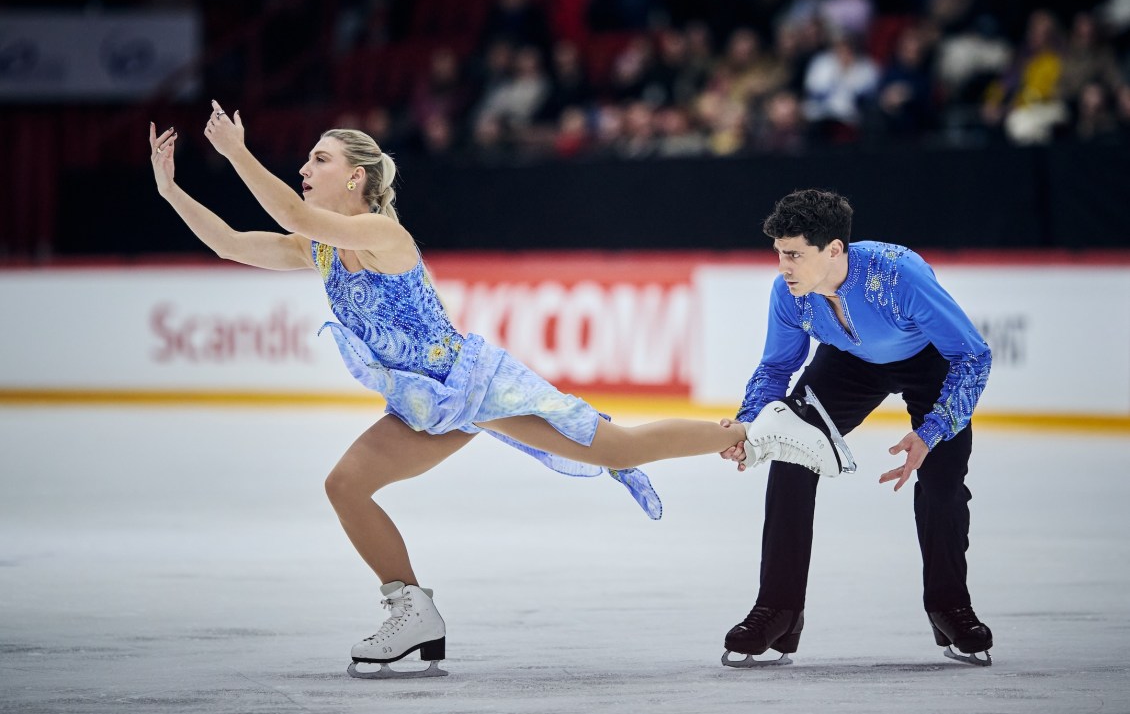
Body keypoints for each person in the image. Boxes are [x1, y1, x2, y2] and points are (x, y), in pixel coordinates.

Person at [146, 102, 748, 678]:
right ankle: (412, 611)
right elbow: (229, 242)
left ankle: (747, 433)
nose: (304, 169)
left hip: (473, 385)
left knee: (616, 449)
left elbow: (294, 215)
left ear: (356, 177)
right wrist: (171, 191)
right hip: (418, 404)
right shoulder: (320, 248)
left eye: (318, 160)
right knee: (346, 486)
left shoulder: (383, 234)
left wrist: (238, 153)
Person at [718, 189, 994, 666]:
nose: (783, 267)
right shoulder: (788, 292)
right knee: (789, 454)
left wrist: (931, 431)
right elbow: (775, 369)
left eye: (794, 255)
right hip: (847, 363)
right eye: (780, 254)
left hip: (929, 362)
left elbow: (972, 355)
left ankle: (950, 605)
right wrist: (749, 427)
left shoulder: (898, 273)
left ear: (834, 250)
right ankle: (778, 610)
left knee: (943, 482)